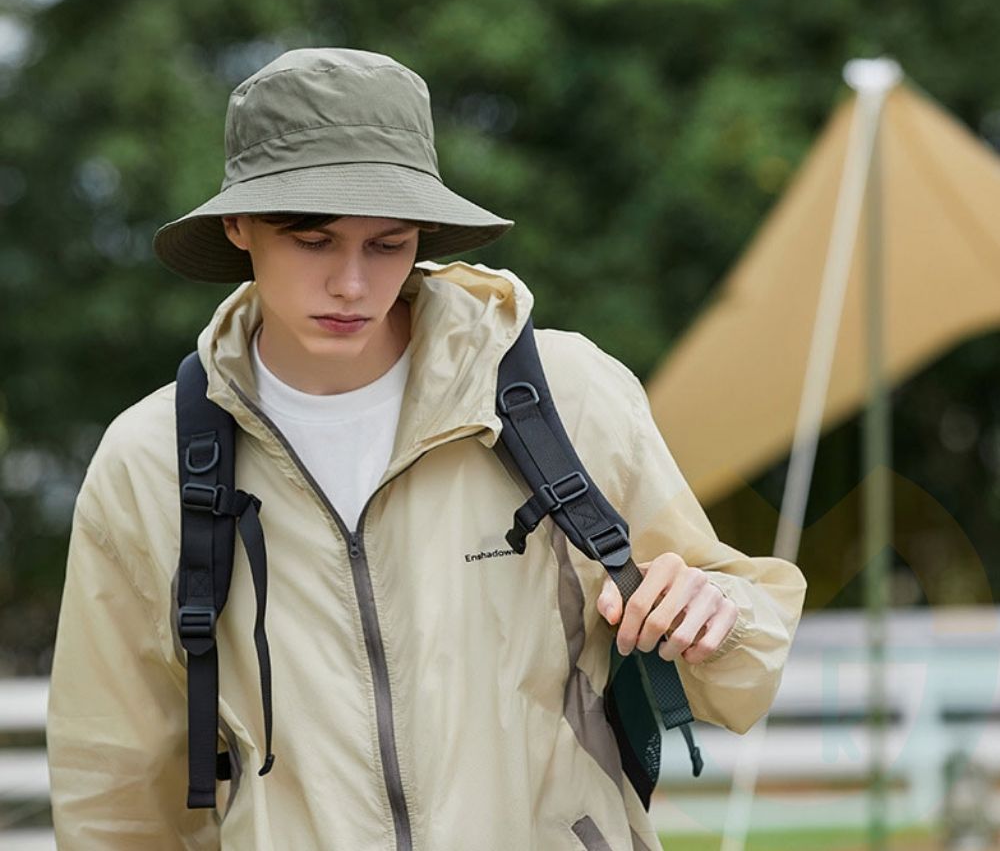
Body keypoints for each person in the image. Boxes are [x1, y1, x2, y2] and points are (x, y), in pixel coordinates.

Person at [46, 47, 807, 850]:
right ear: (238, 226)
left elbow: (739, 659)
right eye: (313, 240)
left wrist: (714, 619)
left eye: (387, 243)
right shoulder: (149, 461)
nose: (352, 283)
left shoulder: (565, 395)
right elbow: (113, 785)